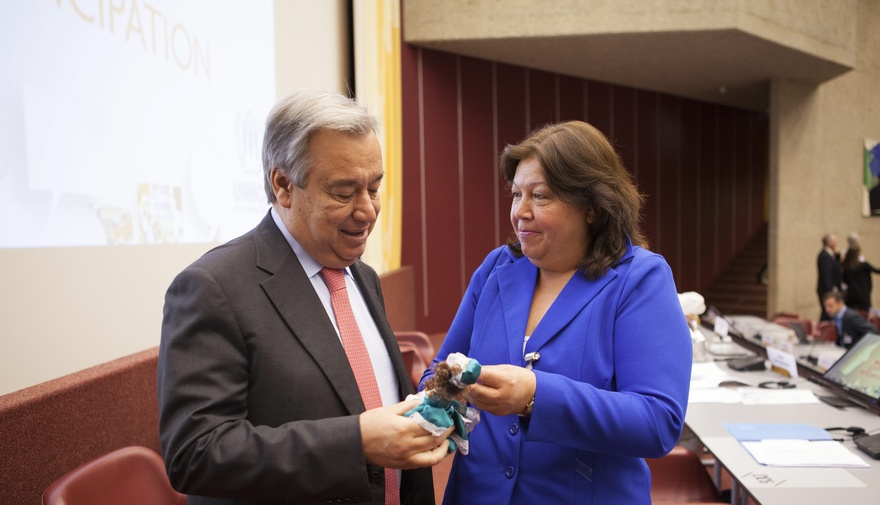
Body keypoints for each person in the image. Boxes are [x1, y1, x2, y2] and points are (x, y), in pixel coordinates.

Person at [157, 89, 450, 505]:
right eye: (344, 192)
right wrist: (356, 442)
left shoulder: (362, 277)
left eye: (374, 187)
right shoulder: (212, 287)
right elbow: (195, 453)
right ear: (283, 185)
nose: (368, 210)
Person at [422, 121, 692, 504]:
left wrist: (535, 396)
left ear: (592, 207)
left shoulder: (639, 279)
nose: (520, 212)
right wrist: (440, 396)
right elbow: (441, 368)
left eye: (540, 196)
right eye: (516, 195)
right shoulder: (498, 268)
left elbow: (657, 421)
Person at [842, 245, 880, 312]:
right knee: (864, 315)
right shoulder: (864, 265)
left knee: (850, 314)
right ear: (858, 253)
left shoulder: (846, 266)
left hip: (850, 295)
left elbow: (844, 281)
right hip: (863, 295)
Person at [816, 233, 842, 321]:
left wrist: (837, 255)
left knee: (829, 314)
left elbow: (836, 267)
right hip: (827, 291)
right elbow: (827, 276)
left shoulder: (829, 254)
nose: (836, 243)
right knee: (827, 313)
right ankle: (823, 329)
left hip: (828, 290)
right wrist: (830, 293)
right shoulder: (825, 256)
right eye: (834, 241)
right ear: (829, 242)